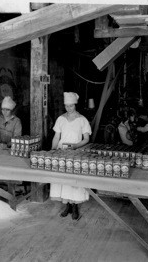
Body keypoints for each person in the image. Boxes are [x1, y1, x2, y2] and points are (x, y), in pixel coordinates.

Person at [50, 92, 92, 220]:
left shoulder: (82, 120)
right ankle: (67, 205)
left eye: (71, 106)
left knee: (74, 180)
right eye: (67, 106)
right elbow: (56, 137)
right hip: (62, 152)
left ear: (75, 105)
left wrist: (75, 146)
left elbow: (86, 139)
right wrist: (52, 150)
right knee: (63, 179)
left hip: (76, 152)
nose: (69, 108)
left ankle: (75, 207)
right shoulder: (61, 119)